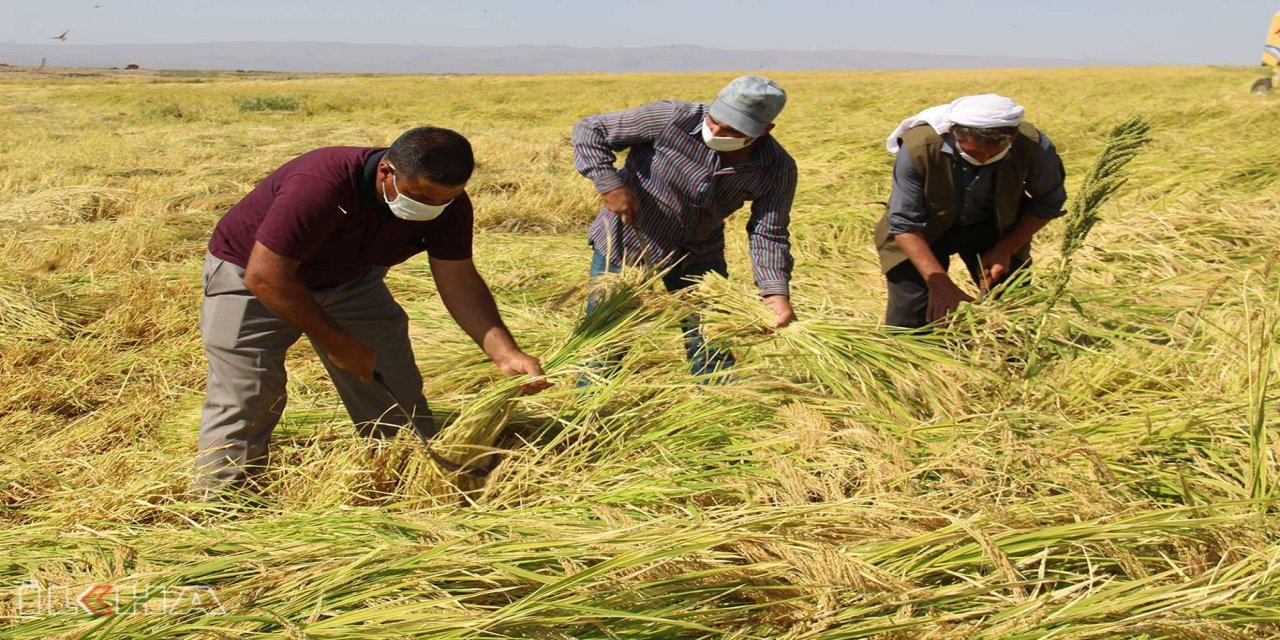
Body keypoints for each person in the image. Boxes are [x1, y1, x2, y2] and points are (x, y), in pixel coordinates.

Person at [195, 126, 550, 491]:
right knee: (249, 392)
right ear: (387, 172)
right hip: (252, 275)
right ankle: (222, 502)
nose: (429, 209)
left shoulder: (449, 205)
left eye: (443, 200)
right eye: (420, 197)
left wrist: (506, 353)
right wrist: (340, 342)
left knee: (393, 382)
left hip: (350, 279)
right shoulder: (322, 184)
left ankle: (404, 476)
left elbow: (458, 280)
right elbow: (267, 277)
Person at [571, 75, 797, 378]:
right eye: (715, 120)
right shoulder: (671, 117)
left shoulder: (776, 168)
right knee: (608, 337)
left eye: (731, 129)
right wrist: (609, 184)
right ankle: (588, 406)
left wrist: (774, 292)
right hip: (628, 243)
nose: (716, 130)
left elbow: (768, 232)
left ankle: (716, 406)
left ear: (764, 131)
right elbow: (590, 129)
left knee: (712, 335)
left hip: (699, 252)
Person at [873, 94, 1068, 329]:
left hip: (994, 226)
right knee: (911, 320)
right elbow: (905, 223)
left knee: (1013, 307)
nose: (983, 161)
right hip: (924, 230)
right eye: (973, 154)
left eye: (993, 154)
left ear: (1010, 140)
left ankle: (1009, 357)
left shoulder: (1034, 147)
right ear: (953, 134)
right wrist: (940, 283)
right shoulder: (919, 147)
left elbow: (1048, 201)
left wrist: (1005, 249)